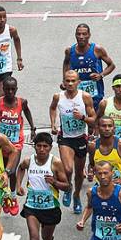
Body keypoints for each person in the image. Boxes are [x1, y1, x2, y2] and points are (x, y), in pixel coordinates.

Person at [15, 132, 70, 240]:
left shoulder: (56, 163)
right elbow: (20, 168)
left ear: (50, 147)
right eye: (38, 146)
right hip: (32, 207)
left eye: (45, 146)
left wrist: (54, 182)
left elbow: (67, 186)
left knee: (46, 237)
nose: (41, 149)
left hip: (50, 207)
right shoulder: (29, 161)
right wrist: (18, 185)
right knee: (34, 239)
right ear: (34, 146)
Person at [49, 69, 96, 214]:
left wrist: (82, 118)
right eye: (67, 81)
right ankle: (68, 188)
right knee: (68, 169)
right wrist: (53, 124)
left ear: (78, 82)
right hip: (65, 138)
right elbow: (52, 108)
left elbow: (93, 119)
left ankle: (76, 196)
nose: (70, 83)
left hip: (81, 138)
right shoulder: (58, 96)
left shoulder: (85, 97)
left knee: (79, 173)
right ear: (64, 82)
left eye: (73, 81)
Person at [0, 76, 36, 214]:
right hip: (1, 143)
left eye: (12, 89)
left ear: (16, 89)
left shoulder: (22, 102)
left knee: (11, 170)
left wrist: (33, 128)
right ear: (3, 89)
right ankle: (5, 196)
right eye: (7, 89)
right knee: (2, 170)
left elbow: (27, 111)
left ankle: (13, 196)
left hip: (16, 143)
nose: (10, 92)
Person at [62, 23, 115, 111]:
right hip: (76, 94)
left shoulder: (97, 49)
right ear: (75, 35)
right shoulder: (69, 51)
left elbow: (111, 65)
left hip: (95, 94)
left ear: (89, 35)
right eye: (78, 34)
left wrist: (100, 75)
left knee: (94, 121)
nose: (81, 36)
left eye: (84, 34)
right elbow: (66, 63)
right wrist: (65, 80)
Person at [88, 116, 121, 188]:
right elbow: (92, 164)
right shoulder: (92, 146)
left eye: (110, 126)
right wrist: (90, 172)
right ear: (98, 128)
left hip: (120, 188)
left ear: (114, 129)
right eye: (104, 126)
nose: (107, 129)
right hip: (101, 187)